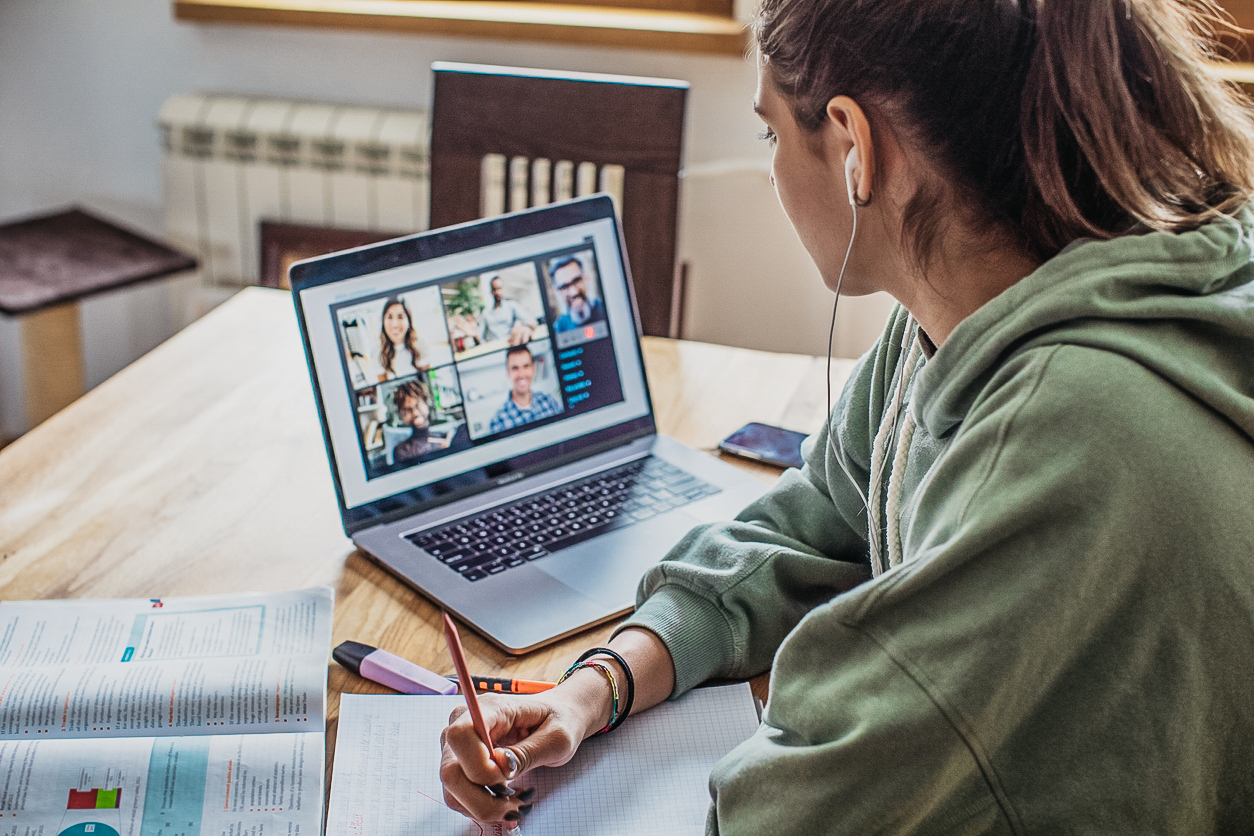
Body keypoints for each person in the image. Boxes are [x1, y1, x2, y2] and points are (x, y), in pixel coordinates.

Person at [440, 0, 1254, 832]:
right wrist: (598, 686)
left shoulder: (1067, 441)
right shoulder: (966, 309)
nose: (772, 167)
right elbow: (819, 521)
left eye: (771, 135)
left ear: (855, 147)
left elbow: (790, 813)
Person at [391, 378, 469, 463]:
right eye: (407, 410)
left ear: (427, 404)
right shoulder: (403, 450)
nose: (415, 413)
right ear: (401, 415)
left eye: (417, 406)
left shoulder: (446, 438)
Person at [488, 345, 563, 433]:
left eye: (526, 366)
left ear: (533, 369)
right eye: (515, 368)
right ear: (508, 373)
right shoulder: (498, 421)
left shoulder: (549, 402)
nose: (521, 374)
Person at [377, 297, 429, 380]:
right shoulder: (378, 353)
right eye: (389, 317)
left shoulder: (420, 345)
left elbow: (428, 380)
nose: (395, 324)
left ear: (409, 321)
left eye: (400, 317)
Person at [549, 257, 605, 332]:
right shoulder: (559, 328)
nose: (574, 292)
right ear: (556, 291)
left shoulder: (607, 309)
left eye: (577, 281)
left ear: (585, 278)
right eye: (565, 287)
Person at [479, 276, 537, 345]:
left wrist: (526, 327)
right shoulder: (486, 313)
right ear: (491, 292)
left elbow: (532, 321)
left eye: (499, 288)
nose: (497, 292)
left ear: (503, 289)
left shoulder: (511, 305)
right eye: (494, 289)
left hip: (510, 345)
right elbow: (480, 336)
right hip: (494, 349)